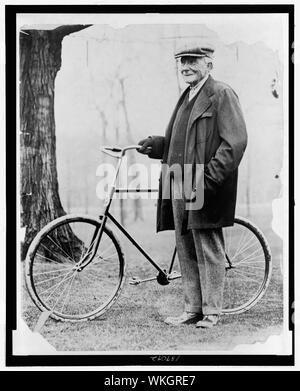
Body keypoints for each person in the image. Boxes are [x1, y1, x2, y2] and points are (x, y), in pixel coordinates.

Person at [137, 42, 247, 328]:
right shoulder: (187, 95)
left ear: (209, 65)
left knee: (207, 247)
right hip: (178, 181)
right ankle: (192, 309)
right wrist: (157, 145)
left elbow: (234, 144)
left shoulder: (221, 93)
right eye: (182, 61)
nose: (185, 66)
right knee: (185, 247)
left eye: (192, 61)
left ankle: (211, 313)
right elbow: (182, 141)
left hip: (204, 184)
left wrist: (209, 179)